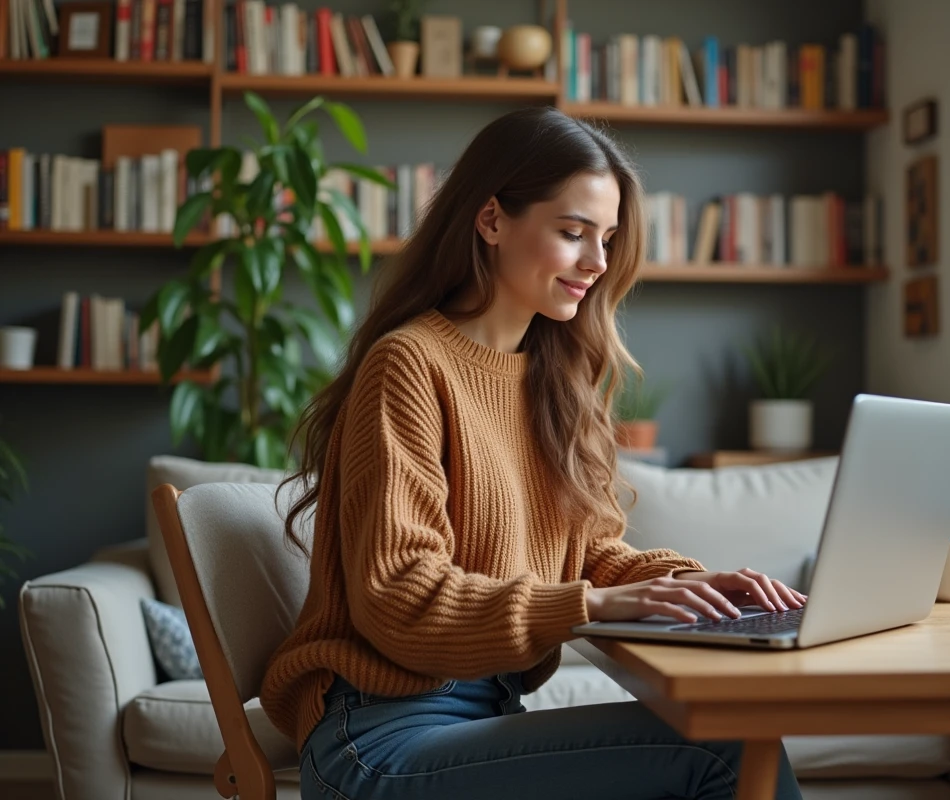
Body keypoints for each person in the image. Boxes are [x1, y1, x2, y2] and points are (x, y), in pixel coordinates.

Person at [261, 105, 806, 800]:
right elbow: (400, 597)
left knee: (736, 738)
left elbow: (590, 552)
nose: (598, 262)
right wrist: (595, 604)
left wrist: (693, 587)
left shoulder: (553, 379)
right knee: (724, 750)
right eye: (573, 233)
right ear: (491, 220)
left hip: (481, 717)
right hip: (379, 738)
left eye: (606, 238)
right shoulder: (409, 365)